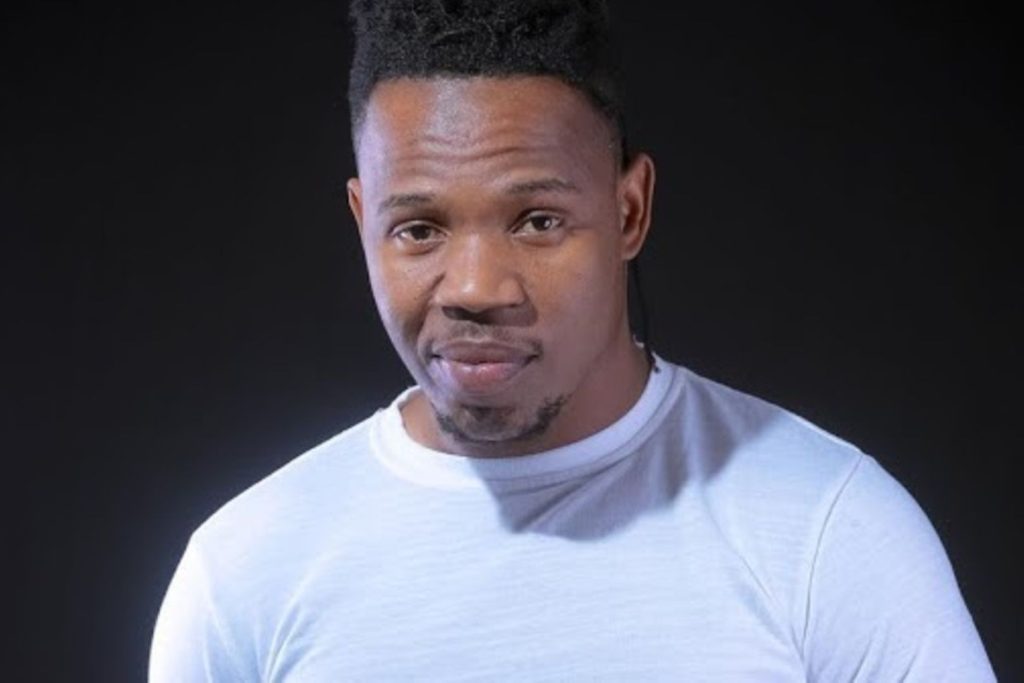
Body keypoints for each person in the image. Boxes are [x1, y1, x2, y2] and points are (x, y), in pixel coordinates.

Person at [149, 1, 995, 679]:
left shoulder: (829, 532)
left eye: (538, 220)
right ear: (363, 220)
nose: (476, 287)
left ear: (630, 211)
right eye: (419, 229)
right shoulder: (245, 572)